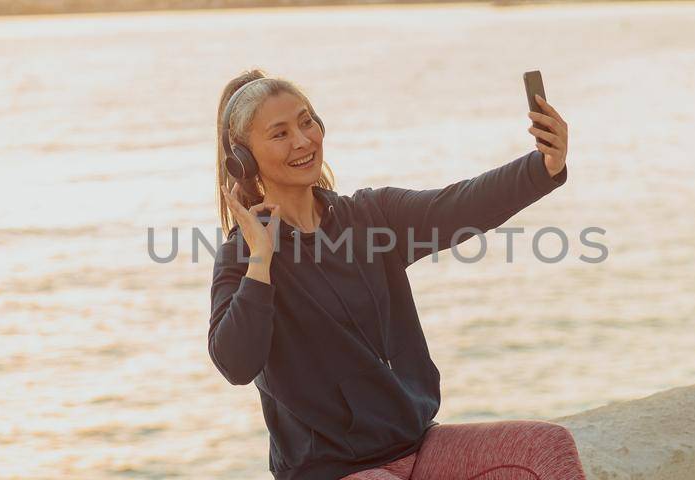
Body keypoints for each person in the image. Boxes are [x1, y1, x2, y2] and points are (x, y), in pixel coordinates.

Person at [207, 68, 585, 480]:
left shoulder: (371, 217)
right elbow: (235, 363)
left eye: (306, 121)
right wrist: (261, 261)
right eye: (279, 133)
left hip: (418, 445)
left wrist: (543, 166)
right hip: (331, 471)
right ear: (243, 159)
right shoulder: (241, 256)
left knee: (548, 448)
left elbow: (458, 206)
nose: (302, 140)